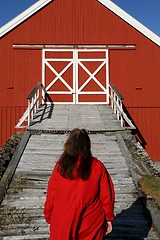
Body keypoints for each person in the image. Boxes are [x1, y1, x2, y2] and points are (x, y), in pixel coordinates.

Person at [44, 128, 115, 240]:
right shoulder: (97, 166)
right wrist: (108, 217)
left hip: (63, 218)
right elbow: (107, 195)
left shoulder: (60, 167)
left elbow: (51, 195)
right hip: (90, 219)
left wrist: (49, 218)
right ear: (87, 147)